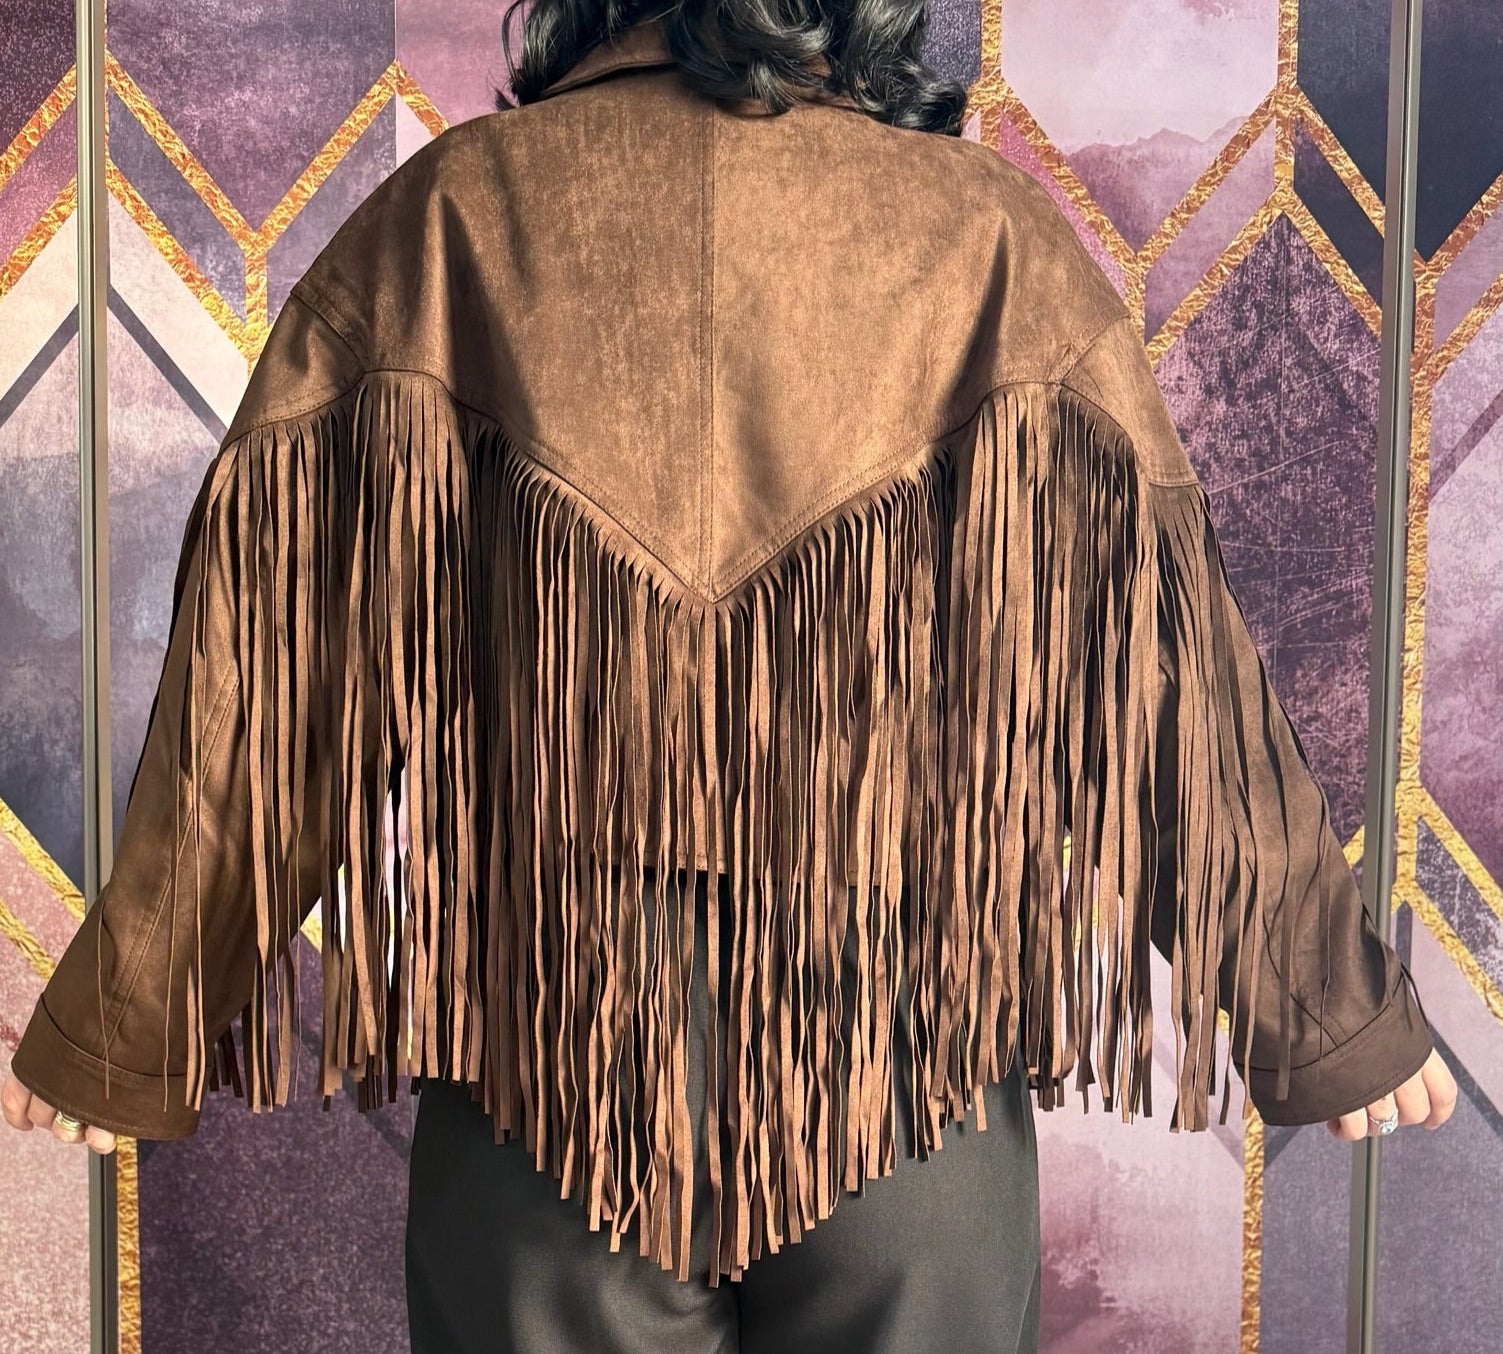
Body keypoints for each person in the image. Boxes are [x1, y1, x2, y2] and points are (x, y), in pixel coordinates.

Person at [2, 2, 1458, 1350]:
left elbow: (285, 663)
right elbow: (1149, 666)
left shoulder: (453, 216)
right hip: (901, 1077)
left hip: (550, 1073)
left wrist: (133, 1012)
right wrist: (1323, 1008)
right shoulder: (989, 238)